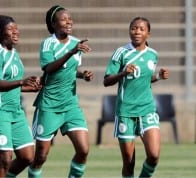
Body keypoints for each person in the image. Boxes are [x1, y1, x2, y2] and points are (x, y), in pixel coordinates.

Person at [28, 5, 93, 178]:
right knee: (41, 156)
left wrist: (82, 75)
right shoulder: (48, 43)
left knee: (83, 150)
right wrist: (71, 52)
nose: (69, 21)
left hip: (70, 104)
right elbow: (49, 68)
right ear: (54, 24)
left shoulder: (76, 43)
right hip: (49, 105)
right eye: (64, 19)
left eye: (70, 18)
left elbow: (69, 70)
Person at [103, 17, 169, 177]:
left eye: (141, 29)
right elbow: (106, 81)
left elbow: (145, 78)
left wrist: (158, 77)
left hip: (147, 110)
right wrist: (123, 72)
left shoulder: (153, 54)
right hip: (125, 112)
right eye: (133, 28)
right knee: (129, 162)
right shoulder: (121, 53)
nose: (137, 32)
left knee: (153, 156)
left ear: (148, 34)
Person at [0, 15, 42, 178]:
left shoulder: (14, 54)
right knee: (5, 160)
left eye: (16, 28)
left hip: (16, 113)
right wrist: (21, 82)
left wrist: (30, 87)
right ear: (0, 33)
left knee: (27, 157)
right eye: (11, 29)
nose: (16, 32)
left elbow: (12, 84)